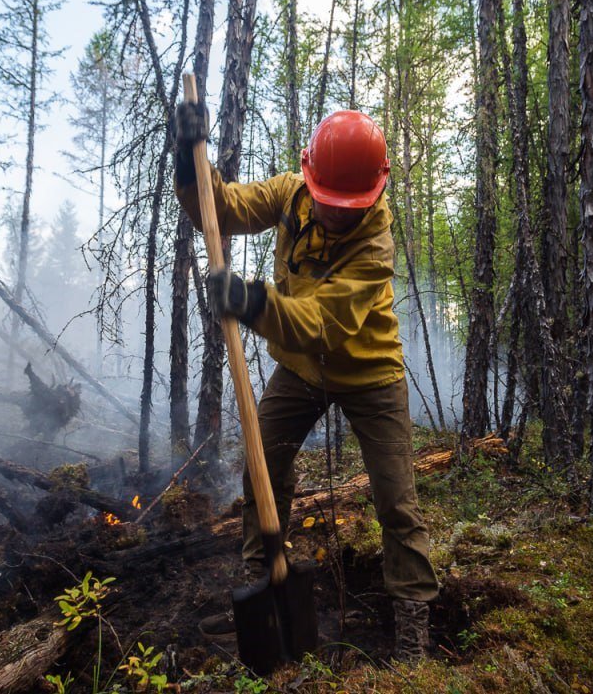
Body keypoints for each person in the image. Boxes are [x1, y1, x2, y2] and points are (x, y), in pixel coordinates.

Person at [172, 100, 439, 663]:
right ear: (309, 175)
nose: (335, 214)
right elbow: (219, 208)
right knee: (263, 464)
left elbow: (321, 324)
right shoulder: (291, 193)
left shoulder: (375, 247)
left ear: (373, 193)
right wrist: (187, 161)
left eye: (349, 206)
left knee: (397, 502)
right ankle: (263, 584)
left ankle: (413, 629)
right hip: (301, 371)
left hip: (370, 373)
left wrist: (251, 301)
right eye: (327, 200)